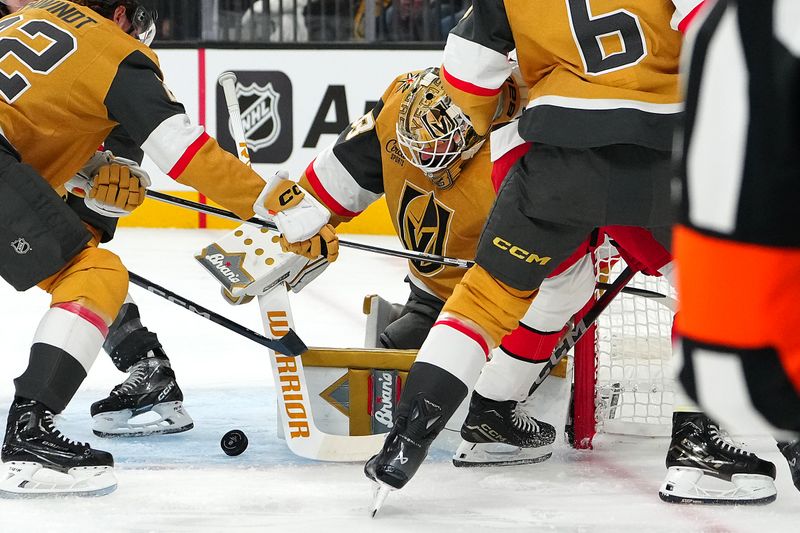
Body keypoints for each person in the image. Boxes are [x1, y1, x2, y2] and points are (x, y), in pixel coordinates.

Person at [361, 0, 741, 511]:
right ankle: (700, 454)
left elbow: (468, 76)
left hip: (551, 158)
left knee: (485, 299)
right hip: (661, 153)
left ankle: (405, 446)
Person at [0, 0, 334, 497]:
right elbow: (185, 150)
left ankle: (138, 367)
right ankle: (28, 436)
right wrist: (278, 206)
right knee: (94, 273)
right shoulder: (112, 50)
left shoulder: (21, 21)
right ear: (119, 15)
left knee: (76, 259)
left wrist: (87, 175)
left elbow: (28, 133)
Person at [294, 66, 562, 465]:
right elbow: (340, 175)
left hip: (493, 298)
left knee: (549, 295)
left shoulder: (520, 149)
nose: (427, 166)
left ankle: (497, 394)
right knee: (409, 348)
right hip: (432, 287)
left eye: (442, 152)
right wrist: (297, 221)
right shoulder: (401, 100)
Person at [0, 0, 193, 440]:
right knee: (79, 266)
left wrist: (108, 174)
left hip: (23, 177)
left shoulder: (108, 60)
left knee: (79, 264)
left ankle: (145, 364)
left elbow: (107, 180)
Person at [672, 0, 800, 499]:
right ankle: (694, 444)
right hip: (651, 144)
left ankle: (694, 442)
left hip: (572, 155)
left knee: (698, 292)